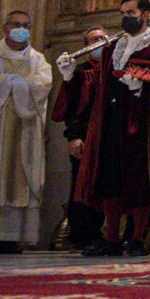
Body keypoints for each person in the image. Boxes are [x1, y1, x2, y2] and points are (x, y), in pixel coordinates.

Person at [75, 0, 150, 257]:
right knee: (111, 177)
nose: (126, 17)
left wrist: (145, 73)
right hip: (113, 117)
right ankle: (111, 238)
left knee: (139, 178)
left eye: (131, 12)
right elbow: (100, 79)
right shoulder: (114, 46)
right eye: (123, 12)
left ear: (145, 14)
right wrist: (71, 77)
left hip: (141, 119)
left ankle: (136, 237)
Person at [0, 11, 52, 252]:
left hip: (25, 128)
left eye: (26, 25)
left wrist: (12, 82)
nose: (21, 29)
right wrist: (12, 82)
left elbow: (43, 85)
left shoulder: (38, 60)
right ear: (5, 28)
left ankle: (12, 238)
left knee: (21, 177)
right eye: (16, 25)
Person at [52, 26, 108, 249]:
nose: (99, 42)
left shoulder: (116, 68)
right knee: (80, 184)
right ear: (86, 46)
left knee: (104, 185)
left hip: (107, 136)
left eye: (103, 38)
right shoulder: (79, 73)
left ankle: (99, 233)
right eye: (94, 39)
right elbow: (71, 107)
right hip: (84, 136)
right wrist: (73, 137)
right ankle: (81, 235)